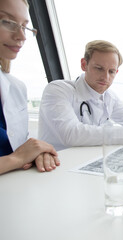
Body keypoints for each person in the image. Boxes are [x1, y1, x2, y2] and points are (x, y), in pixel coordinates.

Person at [38, 40, 123, 151]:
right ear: (84, 64)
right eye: (99, 68)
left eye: (111, 71)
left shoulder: (109, 97)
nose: (105, 77)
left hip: (90, 161)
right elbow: (71, 134)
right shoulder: (58, 90)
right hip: (57, 165)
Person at [0, 0, 59, 174]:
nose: (22, 36)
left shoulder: (16, 88)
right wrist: (16, 159)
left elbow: (20, 145)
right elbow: (18, 156)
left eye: (24, 26)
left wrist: (37, 153)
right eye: (7, 22)